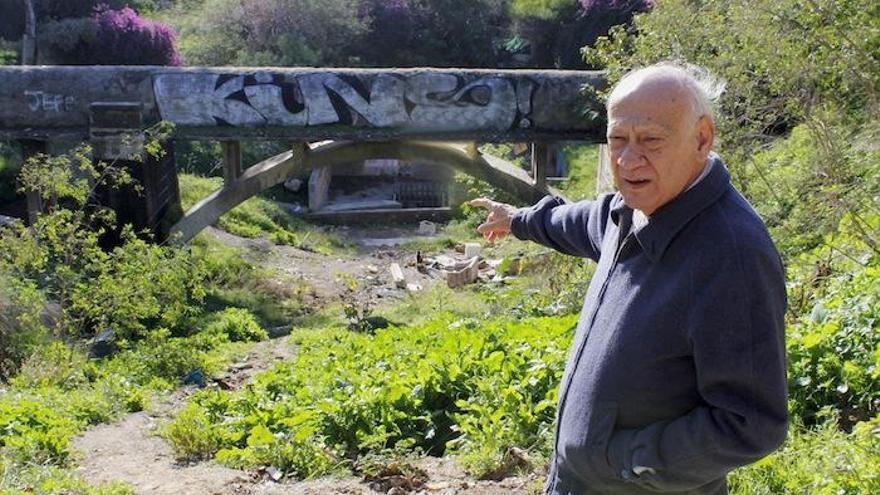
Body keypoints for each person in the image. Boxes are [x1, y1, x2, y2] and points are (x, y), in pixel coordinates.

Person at [469, 62, 788, 495]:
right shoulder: (630, 211)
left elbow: (750, 423)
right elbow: (578, 221)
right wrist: (518, 220)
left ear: (702, 137)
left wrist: (626, 462)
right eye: (617, 139)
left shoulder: (732, 255)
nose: (627, 159)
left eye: (650, 140)